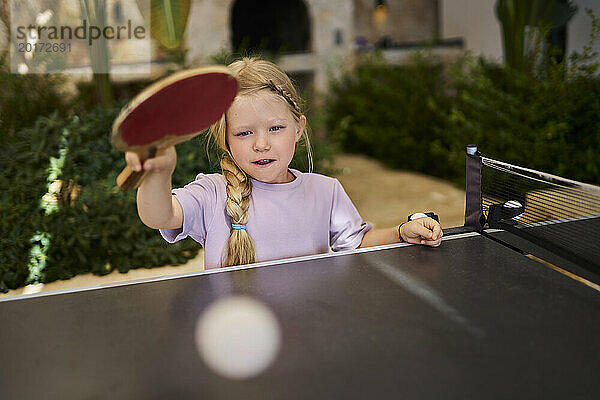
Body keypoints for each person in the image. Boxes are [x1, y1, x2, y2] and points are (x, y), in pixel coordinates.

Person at [125, 57, 442, 268]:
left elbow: (357, 243)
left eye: (275, 128)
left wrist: (401, 232)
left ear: (299, 127)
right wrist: (158, 174)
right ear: (226, 140)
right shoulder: (211, 193)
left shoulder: (326, 191)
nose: (261, 144)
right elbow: (159, 216)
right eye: (244, 132)